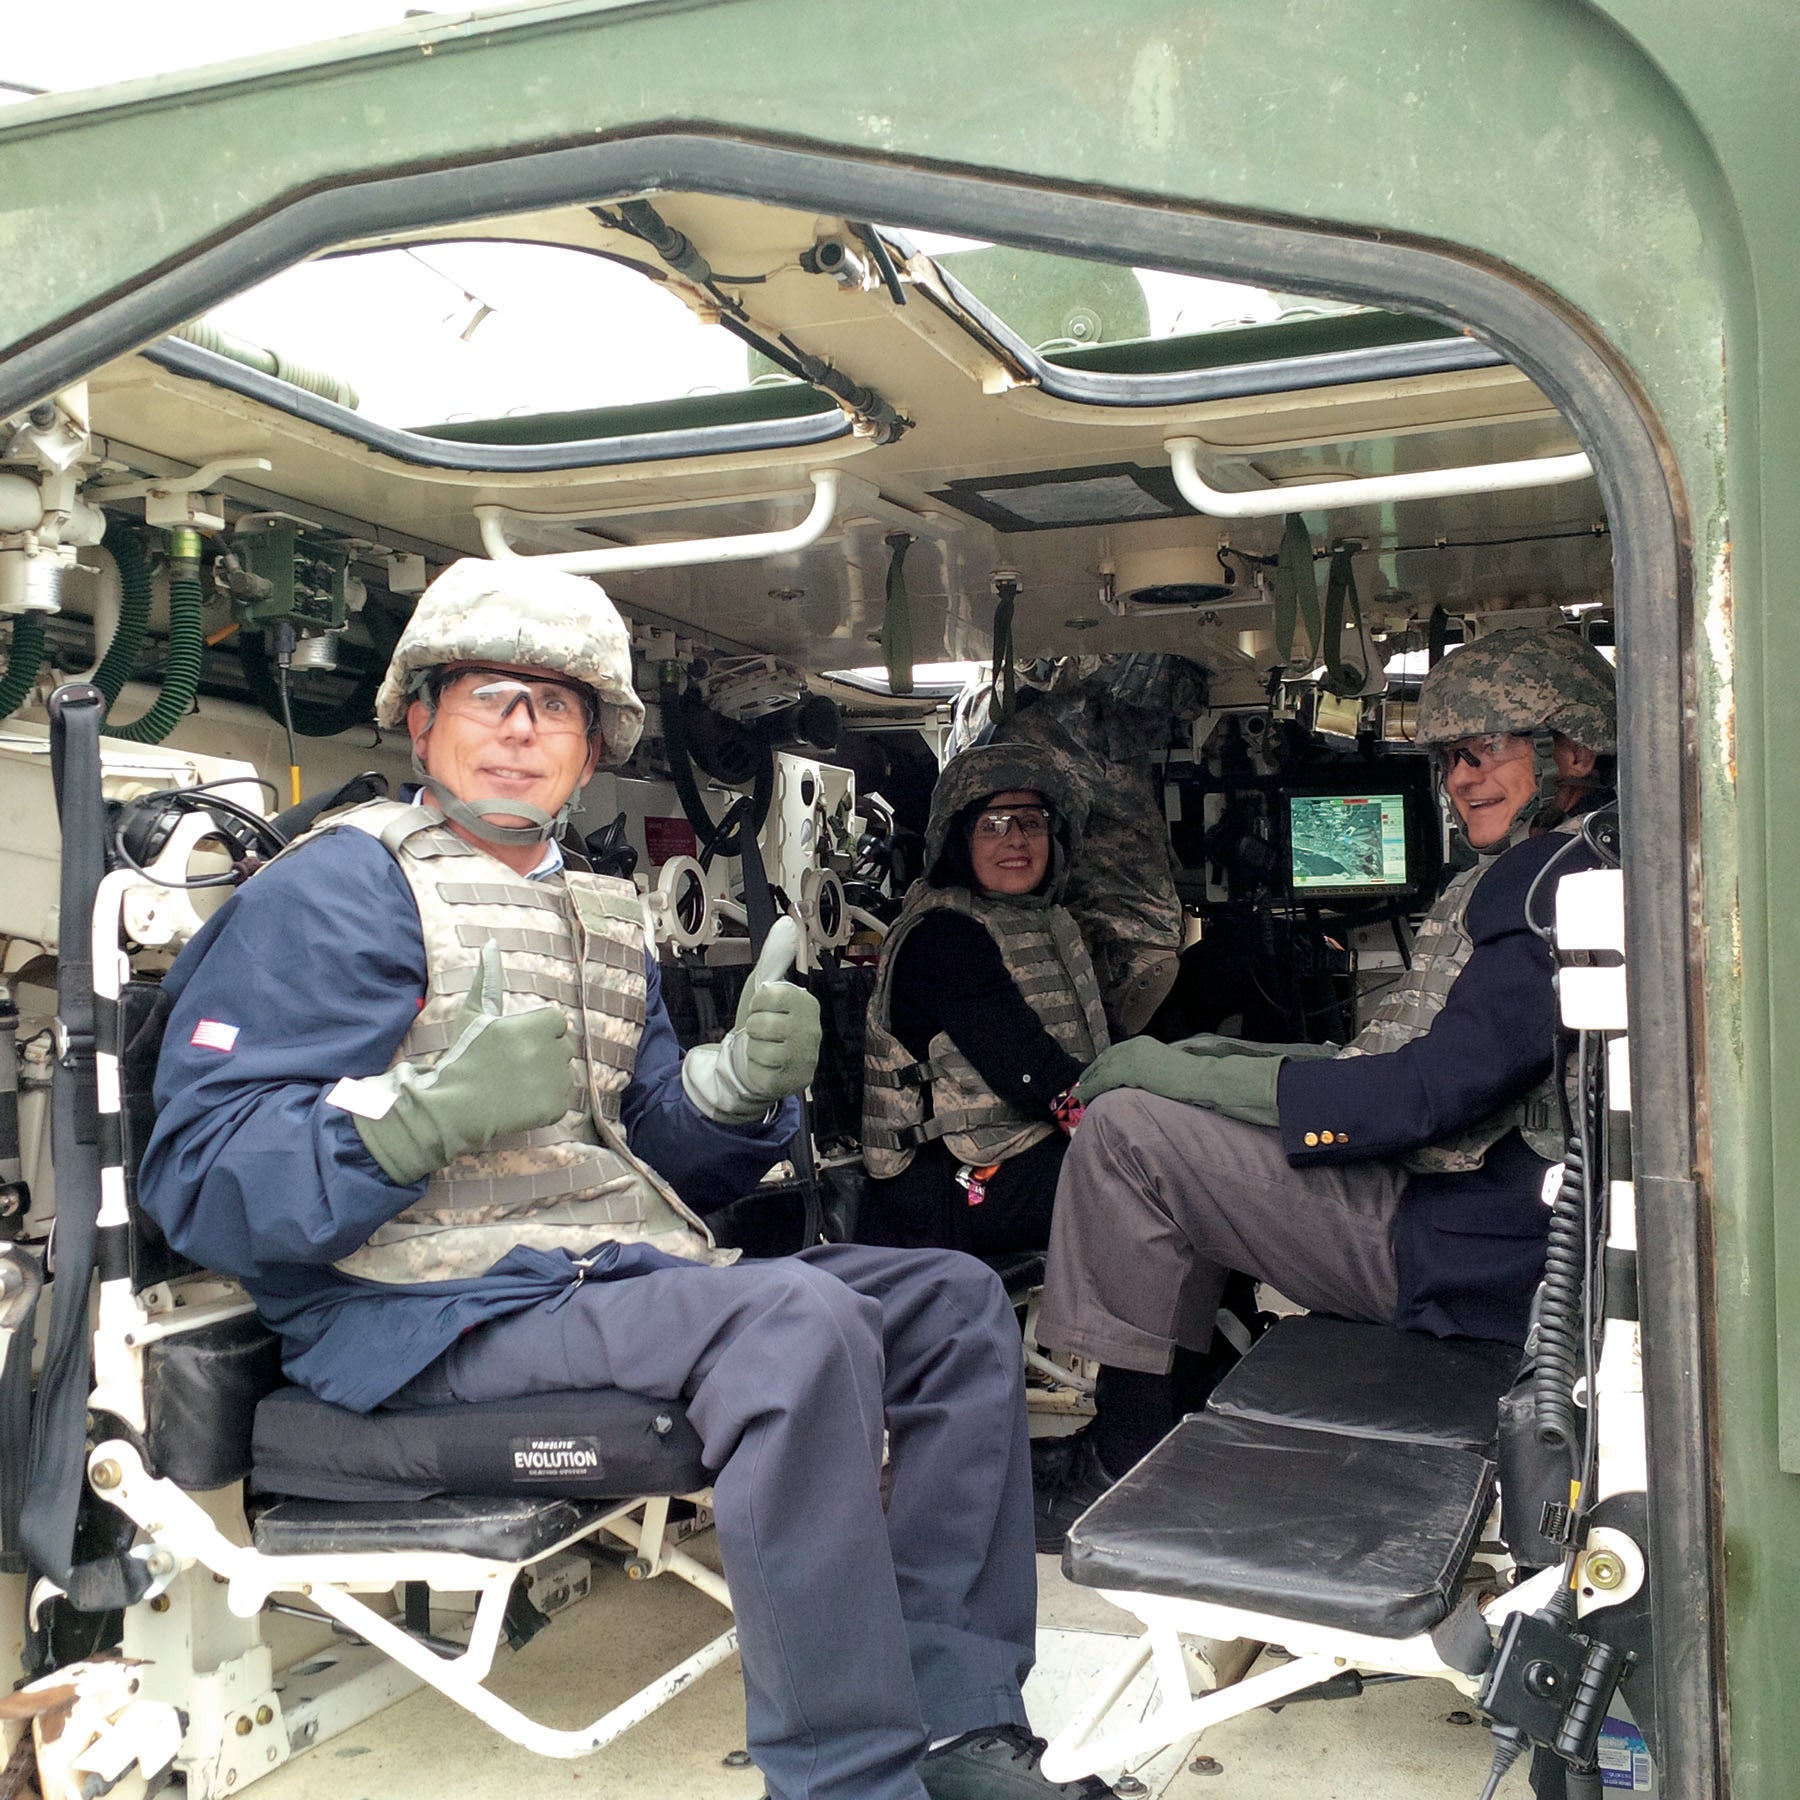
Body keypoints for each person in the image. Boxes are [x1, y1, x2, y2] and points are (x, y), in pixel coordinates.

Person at [139, 559, 1111, 1800]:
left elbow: (647, 1144)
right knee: (799, 1319)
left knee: (953, 1304)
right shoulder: (335, 891)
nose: (521, 727)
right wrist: (403, 1134)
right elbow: (199, 1179)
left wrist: (730, 1093)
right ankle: (848, 1780)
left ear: (594, 742)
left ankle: (962, 1725)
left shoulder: (595, 907)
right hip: (413, 1311)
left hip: (591, 1276)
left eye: (557, 704)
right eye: (490, 695)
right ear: (421, 714)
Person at [1031, 626, 1618, 1546]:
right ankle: (1170, 1421)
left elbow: (1421, 1097)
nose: (1462, 780)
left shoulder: (1550, 879)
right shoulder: (1580, 865)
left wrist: (1169, 1068)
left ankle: (1121, 1455)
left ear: (1572, 750)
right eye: (1450, 760)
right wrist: (1211, 1069)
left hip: (1460, 1251)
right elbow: (1398, 1072)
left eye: (1485, 752)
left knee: (1126, 1136)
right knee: (1164, 1110)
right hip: (1488, 1235)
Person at [858, 743, 1107, 1255]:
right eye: (994, 824)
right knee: (1148, 1185)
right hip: (947, 1185)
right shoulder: (944, 937)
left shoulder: (1046, 923)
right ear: (959, 838)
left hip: (1024, 1151)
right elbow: (1030, 1067)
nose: (1016, 839)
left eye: (1031, 822)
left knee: (1179, 1174)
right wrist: (1129, 1135)